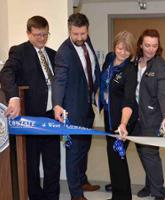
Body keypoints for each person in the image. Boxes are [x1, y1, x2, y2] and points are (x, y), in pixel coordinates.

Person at [0, 16, 60, 200]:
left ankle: (51, 197)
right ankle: (35, 197)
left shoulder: (53, 54)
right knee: (31, 164)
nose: (42, 38)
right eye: (37, 35)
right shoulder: (19, 51)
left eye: (45, 34)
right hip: (30, 117)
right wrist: (14, 97)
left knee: (53, 162)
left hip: (51, 116)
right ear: (28, 33)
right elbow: (5, 74)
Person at [52, 13, 100, 200]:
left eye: (83, 33)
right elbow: (59, 81)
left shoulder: (87, 42)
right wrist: (57, 105)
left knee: (85, 147)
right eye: (75, 34)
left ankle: (82, 180)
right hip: (72, 109)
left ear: (87, 30)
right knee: (74, 152)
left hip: (87, 107)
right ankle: (76, 193)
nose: (80, 38)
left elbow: (92, 68)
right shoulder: (64, 52)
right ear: (69, 31)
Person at [99, 30, 137, 200]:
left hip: (123, 119)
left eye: (127, 50)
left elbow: (129, 100)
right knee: (114, 158)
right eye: (120, 48)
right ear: (114, 46)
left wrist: (123, 124)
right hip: (108, 115)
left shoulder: (130, 69)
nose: (122, 53)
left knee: (117, 157)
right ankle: (118, 194)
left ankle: (123, 197)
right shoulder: (108, 58)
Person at [133, 29, 165, 200]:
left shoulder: (160, 65)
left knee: (150, 155)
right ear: (141, 44)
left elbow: (163, 94)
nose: (151, 49)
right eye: (147, 45)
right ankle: (149, 186)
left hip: (152, 118)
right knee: (142, 153)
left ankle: (158, 192)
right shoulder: (134, 61)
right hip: (135, 117)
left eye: (154, 46)